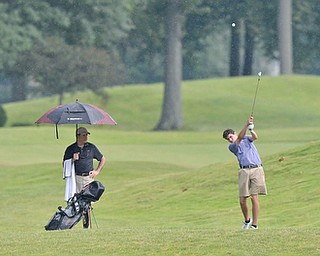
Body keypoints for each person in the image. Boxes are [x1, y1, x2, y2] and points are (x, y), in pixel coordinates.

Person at [222, 115, 267, 230]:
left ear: (234, 133)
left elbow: (255, 137)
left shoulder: (246, 138)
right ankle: (247, 220)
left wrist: (251, 129)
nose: (230, 140)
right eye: (228, 139)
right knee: (242, 200)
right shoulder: (232, 146)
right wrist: (246, 124)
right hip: (244, 171)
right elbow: (239, 138)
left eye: (231, 136)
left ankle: (254, 225)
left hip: (256, 169)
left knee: (254, 197)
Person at [63, 127, 106, 228]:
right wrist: (72, 160)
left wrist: (97, 171)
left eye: (86, 135)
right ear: (78, 136)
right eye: (83, 135)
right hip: (76, 179)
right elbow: (64, 165)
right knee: (75, 203)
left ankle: (86, 226)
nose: (86, 137)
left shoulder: (91, 147)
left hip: (88, 179)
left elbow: (103, 158)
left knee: (87, 204)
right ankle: (69, 225)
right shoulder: (71, 149)